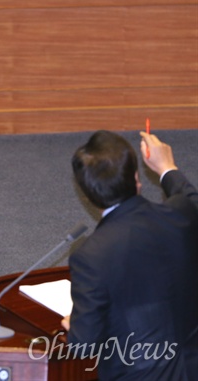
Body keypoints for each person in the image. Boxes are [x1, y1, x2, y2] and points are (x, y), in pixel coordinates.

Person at [61, 130, 198, 380]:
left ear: (88, 193)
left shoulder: (90, 255)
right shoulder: (181, 214)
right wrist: (168, 167)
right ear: (136, 177)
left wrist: (75, 325)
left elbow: (84, 345)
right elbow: (191, 199)